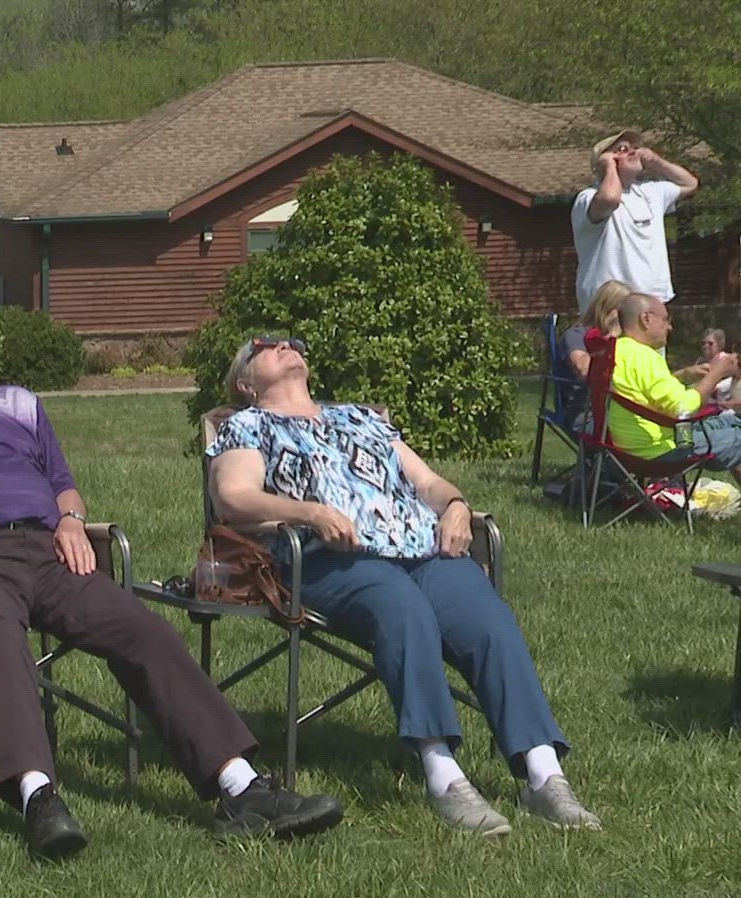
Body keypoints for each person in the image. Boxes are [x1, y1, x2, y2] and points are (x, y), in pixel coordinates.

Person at [0, 302, 347, 859]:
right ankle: (39, 798)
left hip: (48, 551)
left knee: (143, 631)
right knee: (0, 639)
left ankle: (241, 788)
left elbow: (63, 484)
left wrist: (73, 521)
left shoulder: (18, 402)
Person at [207, 336, 602, 835]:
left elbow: (428, 483)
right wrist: (308, 512)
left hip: (422, 551)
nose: (286, 345)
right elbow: (232, 498)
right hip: (328, 559)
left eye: (293, 342)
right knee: (401, 608)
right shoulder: (248, 426)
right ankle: (443, 773)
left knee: (487, 619)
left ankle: (544, 775)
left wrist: (456, 505)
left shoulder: (362, 418)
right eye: (266, 345)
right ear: (246, 382)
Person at [606, 293, 741, 482]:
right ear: (646, 319)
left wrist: (685, 376)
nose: (669, 327)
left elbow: (650, 394)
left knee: (730, 423)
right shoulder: (645, 356)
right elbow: (683, 408)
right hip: (661, 451)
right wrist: (716, 374)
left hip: (628, 447)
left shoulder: (618, 350)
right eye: (665, 319)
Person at [572, 129, 698, 313]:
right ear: (604, 160)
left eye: (634, 147)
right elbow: (610, 199)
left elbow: (690, 183)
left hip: (652, 301)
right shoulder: (588, 198)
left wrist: (657, 162)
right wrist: (609, 167)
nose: (633, 152)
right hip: (610, 304)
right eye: (622, 149)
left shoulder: (650, 192)